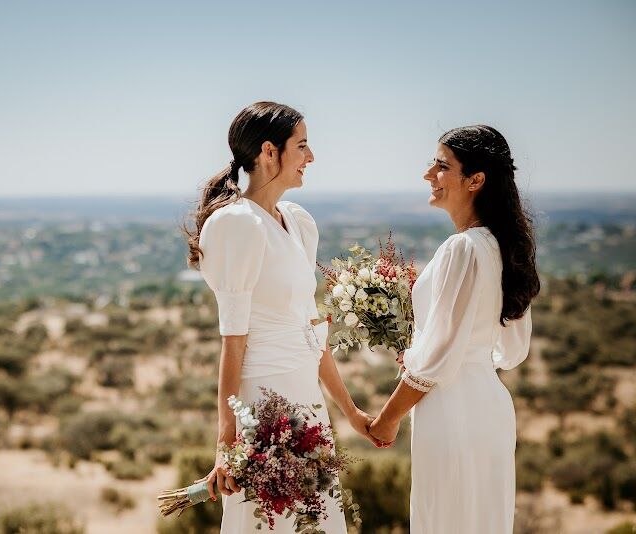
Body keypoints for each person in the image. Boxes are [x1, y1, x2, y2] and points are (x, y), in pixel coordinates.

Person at [184, 101, 372, 533]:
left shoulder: (299, 223)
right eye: (302, 146)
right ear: (270, 152)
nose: (311, 157)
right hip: (265, 404)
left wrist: (351, 412)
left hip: (308, 400)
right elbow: (234, 342)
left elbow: (312, 332)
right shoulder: (236, 225)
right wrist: (226, 443)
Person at [367, 125, 540, 533]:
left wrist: (386, 419)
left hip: (453, 411)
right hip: (490, 407)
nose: (429, 173)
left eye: (442, 165)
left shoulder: (462, 248)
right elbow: (511, 351)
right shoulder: (503, 246)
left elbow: (437, 360)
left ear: (476, 180)